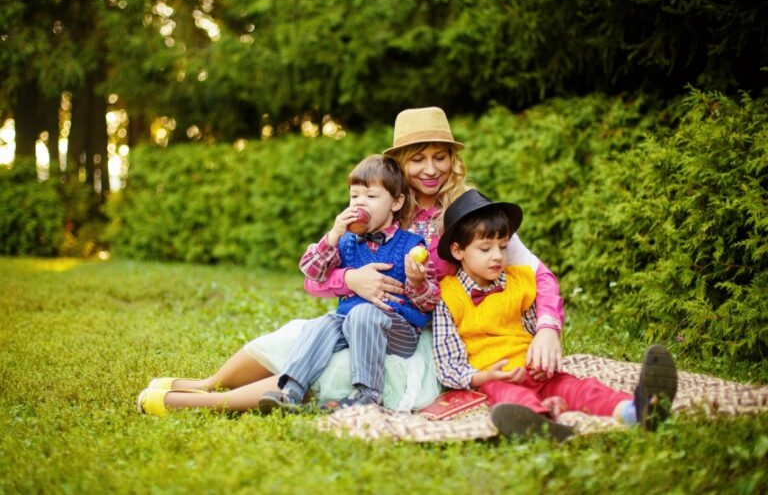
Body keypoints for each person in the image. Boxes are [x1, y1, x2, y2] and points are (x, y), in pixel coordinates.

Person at [136, 107, 563, 415]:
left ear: (453, 159)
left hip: (427, 336)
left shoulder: (469, 212)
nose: (430, 169)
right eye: (417, 158)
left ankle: (207, 402)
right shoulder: (377, 206)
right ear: (397, 164)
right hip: (360, 313)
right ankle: (207, 383)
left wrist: (547, 329)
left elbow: (535, 274)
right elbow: (317, 278)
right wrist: (352, 278)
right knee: (299, 337)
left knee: (335, 367)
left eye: (440, 156)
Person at [432, 189, 679, 440]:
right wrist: (486, 375)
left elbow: (534, 331)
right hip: (497, 377)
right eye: (485, 248)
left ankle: (637, 411)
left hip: (536, 371)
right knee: (513, 399)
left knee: (581, 388)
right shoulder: (448, 297)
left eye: (503, 246)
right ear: (458, 251)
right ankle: (541, 425)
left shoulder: (520, 281)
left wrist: (542, 362)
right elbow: (449, 365)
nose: (497, 255)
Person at [256, 154, 439, 413]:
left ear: (396, 202)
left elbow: (429, 302)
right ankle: (291, 391)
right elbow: (312, 272)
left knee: (363, 313)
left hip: (398, 330)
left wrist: (417, 281)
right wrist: (332, 236)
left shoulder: (411, 245)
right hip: (350, 322)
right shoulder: (345, 242)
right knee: (322, 322)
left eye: (371, 197)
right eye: (354, 196)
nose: (360, 203)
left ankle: (368, 395)